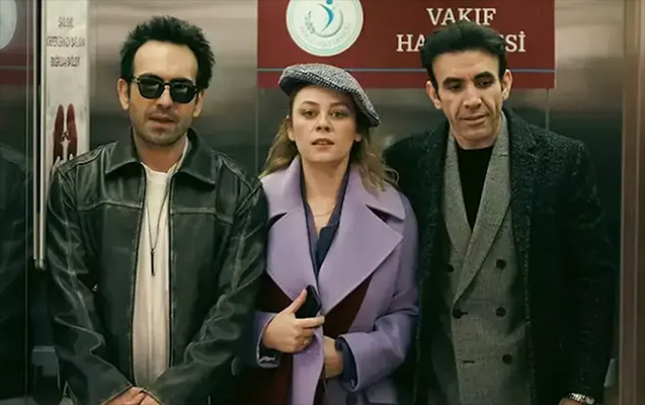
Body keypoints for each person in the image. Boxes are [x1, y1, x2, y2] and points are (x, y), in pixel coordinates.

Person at [384, 20, 616, 405]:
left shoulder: (561, 160)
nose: (472, 99)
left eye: (483, 82)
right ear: (434, 94)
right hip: (440, 388)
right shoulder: (406, 162)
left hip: (531, 386)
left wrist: (581, 391)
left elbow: (594, 282)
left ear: (505, 84)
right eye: (454, 86)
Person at [46, 16, 268, 405]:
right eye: (150, 85)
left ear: (198, 101)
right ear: (124, 92)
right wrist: (111, 392)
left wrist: (167, 396)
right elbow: (70, 306)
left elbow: (230, 315)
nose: (165, 101)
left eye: (181, 89)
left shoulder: (238, 192)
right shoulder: (75, 184)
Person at [236, 63, 419, 405]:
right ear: (291, 129)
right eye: (309, 113)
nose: (323, 124)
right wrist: (264, 332)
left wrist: (350, 356)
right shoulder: (250, 204)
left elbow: (407, 314)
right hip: (273, 391)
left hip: (359, 395)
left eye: (338, 114)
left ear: (358, 131)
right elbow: (218, 310)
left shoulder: (396, 212)